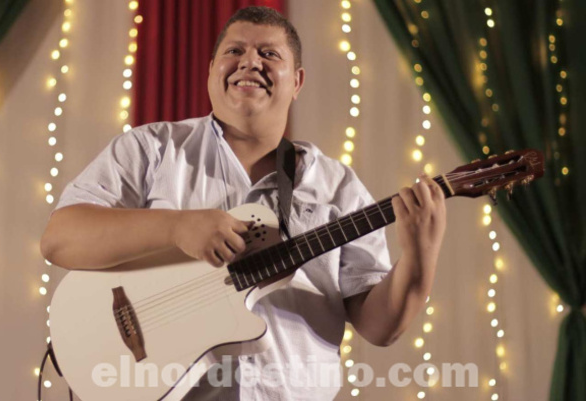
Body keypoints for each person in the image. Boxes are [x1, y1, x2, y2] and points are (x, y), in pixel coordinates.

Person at [40, 6, 446, 400]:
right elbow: (60, 238)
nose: (250, 62)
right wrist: (176, 227)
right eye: (234, 51)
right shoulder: (152, 149)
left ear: (298, 81)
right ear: (211, 70)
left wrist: (419, 257)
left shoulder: (338, 187)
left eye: (269, 54)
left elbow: (379, 328)